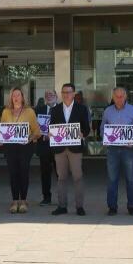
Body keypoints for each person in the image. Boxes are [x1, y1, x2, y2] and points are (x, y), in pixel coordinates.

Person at [49, 83, 90, 216]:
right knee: (61, 178)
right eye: (64, 92)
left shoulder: (82, 109)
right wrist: (50, 133)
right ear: (61, 94)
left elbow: (87, 128)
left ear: (74, 93)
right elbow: (52, 127)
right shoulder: (55, 110)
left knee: (78, 177)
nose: (66, 94)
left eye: (69, 92)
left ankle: (79, 206)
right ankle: (62, 206)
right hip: (60, 149)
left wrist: (83, 133)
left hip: (75, 148)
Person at [100, 87, 133, 216]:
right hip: (112, 149)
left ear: (125, 97)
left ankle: (132, 206)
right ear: (112, 97)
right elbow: (102, 129)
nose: (119, 99)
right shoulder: (107, 111)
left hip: (128, 149)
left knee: (130, 178)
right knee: (112, 179)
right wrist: (105, 139)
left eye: (121, 96)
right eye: (116, 96)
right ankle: (112, 206)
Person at [0, 87, 41, 213]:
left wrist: (30, 138)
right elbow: (2, 129)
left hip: (25, 147)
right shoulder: (6, 112)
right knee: (13, 173)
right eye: (14, 95)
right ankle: (14, 201)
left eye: (18, 95)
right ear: (11, 98)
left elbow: (37, 132)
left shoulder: (30, 112)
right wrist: (1, 139)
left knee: (23, 173)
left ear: (23, 97)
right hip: (10, 147)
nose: (16, 97)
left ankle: (23, 200)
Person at [34, 90, 58, 206]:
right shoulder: (38, 110)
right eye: (47, 95)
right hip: (43, 147)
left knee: (61, 174)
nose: (49, 97)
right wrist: (42, 134)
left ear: (56, 96)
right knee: (45, 174)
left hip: (59, 148)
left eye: (51, 95)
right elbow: (35, 127)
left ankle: (61, 198)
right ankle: (46, 197)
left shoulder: (62, 109)